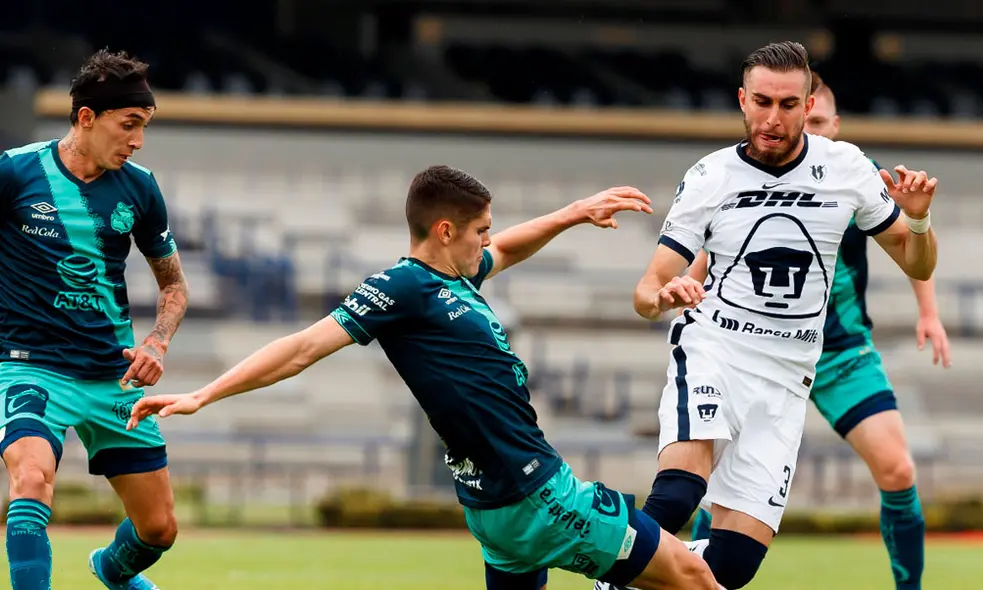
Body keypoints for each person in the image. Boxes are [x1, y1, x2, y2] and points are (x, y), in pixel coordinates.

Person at [125, 165, 721, 590]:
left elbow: (509, 250)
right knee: (694, 576)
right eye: (480, 229)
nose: (488, 240)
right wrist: (204, 394)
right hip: (538, 496)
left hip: (495, 509)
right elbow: (303, 348)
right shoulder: (404, 287)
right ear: (444, 231)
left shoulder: (454, 278)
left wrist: (571, 213)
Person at [596, 41, 939, 590]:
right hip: (716, 349)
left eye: (787, 104)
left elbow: (916, 262)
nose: (773, 118)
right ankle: (599, 564)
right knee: (679, 492)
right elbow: (647, 288)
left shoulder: (848, 168)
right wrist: (662, 298)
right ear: (742, 100)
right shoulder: (710, 176)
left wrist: (918, 222)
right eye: (762, 102)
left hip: (788, 375)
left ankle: (616, 561)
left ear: (809, 106)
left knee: (733, 565)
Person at [685, 71, 946, 590]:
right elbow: (711, 247)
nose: (811, 132)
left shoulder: (856, 174)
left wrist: (929, 313)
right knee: (715, 494)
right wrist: (687, 292)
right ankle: (692, 580)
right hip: (754, 350)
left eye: (820, 122)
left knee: (898, 470)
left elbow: (910, 247)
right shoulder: (746, 171)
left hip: (839, 351)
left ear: (832, 122)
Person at [0, 50, 188, 590]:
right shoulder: (15, 172)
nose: (138, 140)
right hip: (30, 366)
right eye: (129, 125)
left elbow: (174, 286)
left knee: (158, 529)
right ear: (86, 117)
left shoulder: (140, 188)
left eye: (144, 126)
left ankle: (110, 569)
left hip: (113, 374)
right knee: (31, 479)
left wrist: (156, 343)